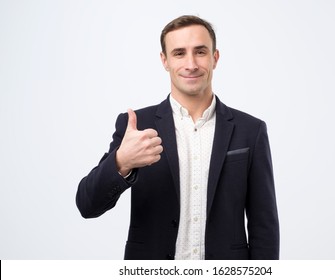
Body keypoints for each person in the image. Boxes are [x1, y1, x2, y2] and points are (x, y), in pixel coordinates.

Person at [76, 15, 279, 260]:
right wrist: (122, 162)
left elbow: (264, 225)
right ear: (165, 60)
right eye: (179, 53)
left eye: (201, 52)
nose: (191, 64)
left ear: (215, 58)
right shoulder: (137, 127)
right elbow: (87, 205)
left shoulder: (251, 130)